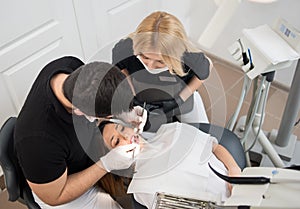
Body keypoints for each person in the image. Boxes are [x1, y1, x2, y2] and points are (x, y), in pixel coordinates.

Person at [14, 56, 147, 209]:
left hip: (75, 153)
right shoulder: (38, 140)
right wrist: (104, 165)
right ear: (80, 112)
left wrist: (124, 112)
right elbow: (55, 196)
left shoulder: (71, 67)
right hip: (58, 186)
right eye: (108, 117)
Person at [99, 121, 242, 209]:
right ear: (114, 159)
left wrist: (234, 171)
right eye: (116, 141)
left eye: (122, 129)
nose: (125, 136)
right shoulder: (141, 187)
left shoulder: (172, 130)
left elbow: (215, 147)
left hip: (241, 184)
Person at [112, 11, 212, 128]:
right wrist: (132, 95)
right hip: (142, 97)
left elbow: (205, 71)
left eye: (160, 61)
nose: (150, 65)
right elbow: (121, 70)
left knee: (201, 133)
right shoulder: (125, 49)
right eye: (145, 57)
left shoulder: (188, 57)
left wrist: (180, 99)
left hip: (181, 96)